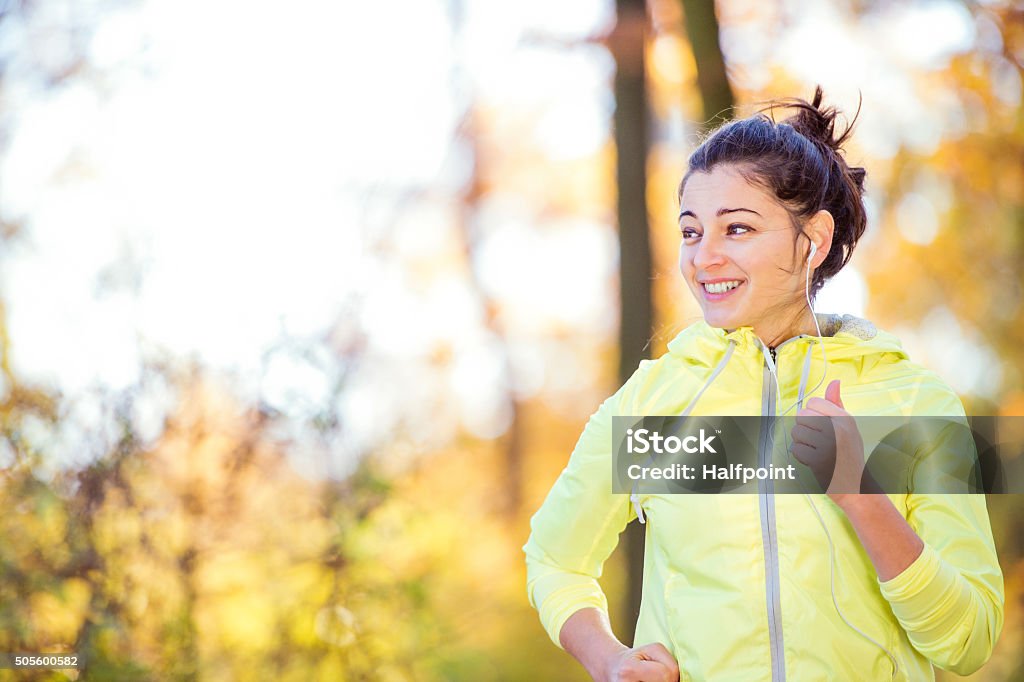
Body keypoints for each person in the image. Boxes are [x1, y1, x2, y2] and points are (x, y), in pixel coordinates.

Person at [522, 87, 1004, 681]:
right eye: (692, 232)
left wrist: (859, 494)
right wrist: (610, 661)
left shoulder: (912, 401)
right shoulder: (655, 403)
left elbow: (969, 640)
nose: (704, 258)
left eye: (739, 229)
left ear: (815, 240)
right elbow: (553, 559)